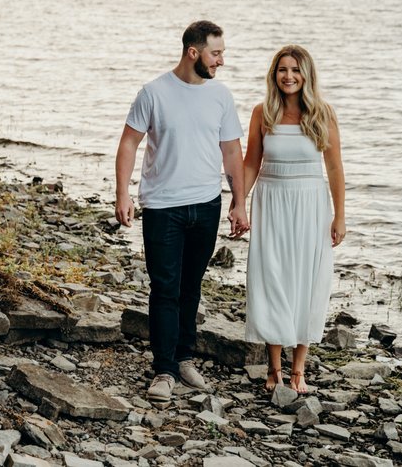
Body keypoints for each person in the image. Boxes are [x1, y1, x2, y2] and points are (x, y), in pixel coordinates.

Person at [115, 20, 249, 407]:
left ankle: (184, 359)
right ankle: (164, 370)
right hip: (162, 207)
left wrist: (239, 202)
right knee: (165, 289)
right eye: (216, 53)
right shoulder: (153, 93)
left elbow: (231, 152)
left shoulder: (220, 96)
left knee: (192, 287)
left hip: (207, 205)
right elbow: (129, 144)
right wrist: (122, 194)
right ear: (194, 53)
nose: (221, 61)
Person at [243, 44, 346, 394]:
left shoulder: (323, 114)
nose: (289, 76)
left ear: (307, 74)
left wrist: (339, 217)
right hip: (270, 202)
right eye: (282, 70)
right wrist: (238, 204)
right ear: (275, 75)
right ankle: (274, 368)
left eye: (295, 70)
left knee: (305, 281)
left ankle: (299, 370)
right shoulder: (263, 113)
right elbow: (250, 163)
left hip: (310, 206)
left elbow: (334, 168)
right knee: (273, 279)